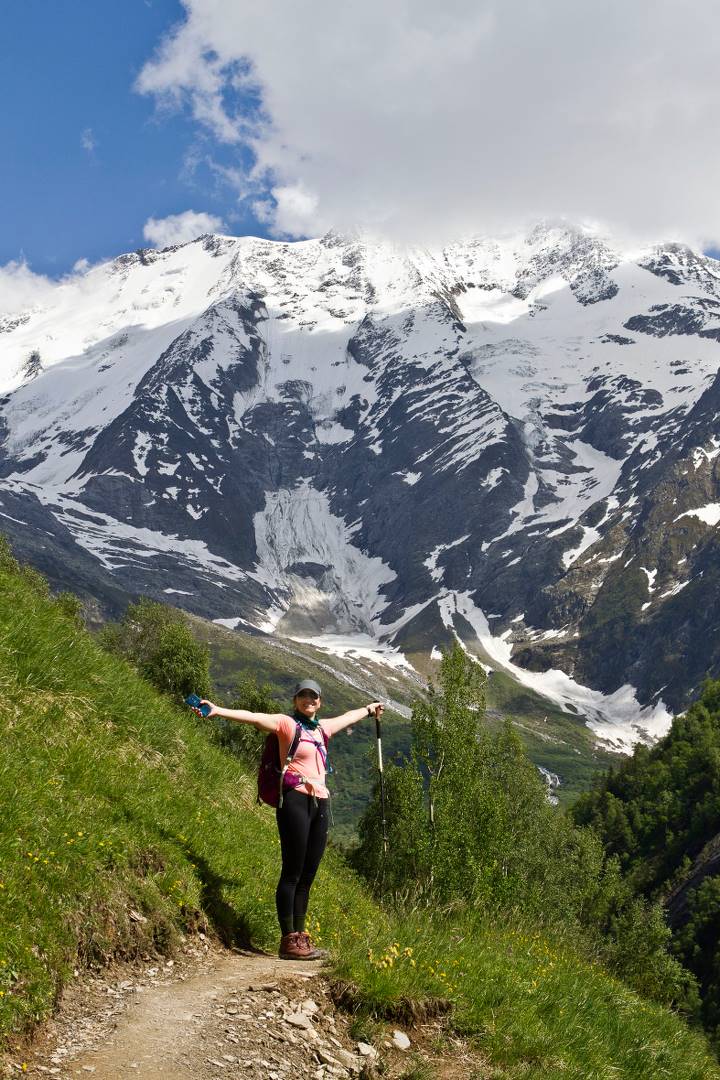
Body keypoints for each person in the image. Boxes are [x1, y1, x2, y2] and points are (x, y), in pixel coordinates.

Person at [194, 679, 384, 960]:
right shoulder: (286, 724)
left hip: (320, 800)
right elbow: (255, 717)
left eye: (314, 696)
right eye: (303, 695)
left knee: (308, 873)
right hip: (294, 797)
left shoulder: (322, 728)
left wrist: (369, 709)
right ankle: (288, 939)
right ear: (296, 700)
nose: (309, 700)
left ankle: (300, 937)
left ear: (319, 702)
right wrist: (218, 710)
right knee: (293, 870)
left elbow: (347, 717)